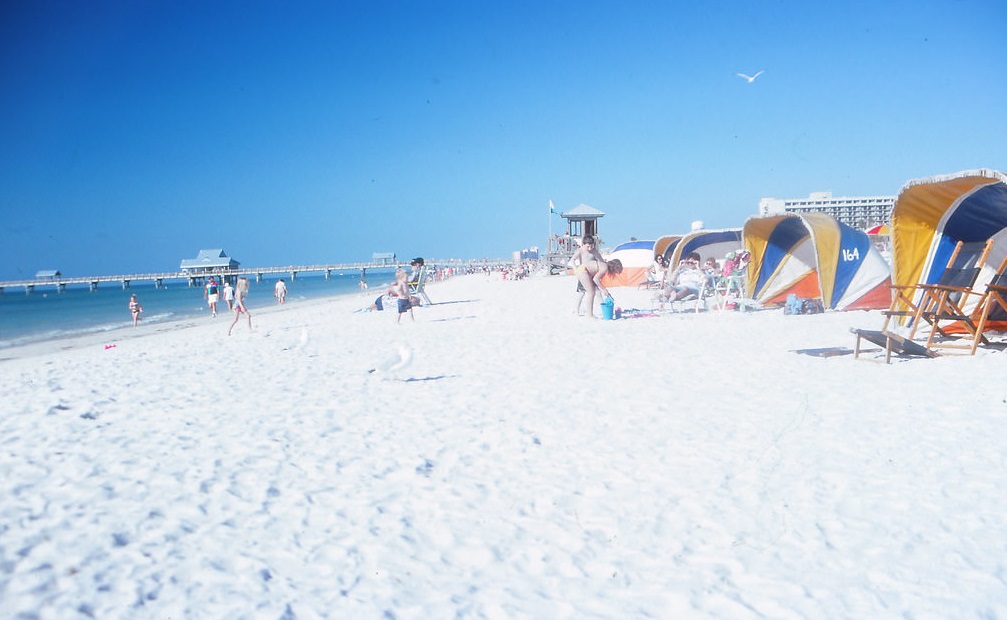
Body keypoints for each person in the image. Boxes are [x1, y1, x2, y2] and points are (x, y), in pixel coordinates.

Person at [570, 235, 623, 318]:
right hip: (583, 271)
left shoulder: (595, 252)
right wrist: (575, 270)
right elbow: (596, 279)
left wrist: (603, 289)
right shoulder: (580, 251)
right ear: (583, 244)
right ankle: (584, 313)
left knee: (596, 292)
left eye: (591, 246)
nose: (590, 248)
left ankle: (601, 309)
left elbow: (600, 260)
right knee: (586, 293)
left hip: (589, 272)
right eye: (588, 246)